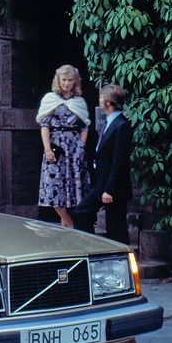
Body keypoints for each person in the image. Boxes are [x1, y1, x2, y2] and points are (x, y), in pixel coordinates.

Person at [71, 83, 133, 244]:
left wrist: (109, 190)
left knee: (115, 227)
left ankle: (109, 253)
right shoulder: (109, 122)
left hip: (112, 187)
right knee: (84, 213)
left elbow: (119, 161)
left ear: (108, 102)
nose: (99, 100)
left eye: (101, 97)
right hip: (102, 182)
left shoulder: (121, 125)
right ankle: (93, 248)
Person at [36, 65, 90, 228]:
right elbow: (45, 126)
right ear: (58, 80)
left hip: (74, 150)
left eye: (70, 80)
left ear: (75, 82)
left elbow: (84, 127)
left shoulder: (79, 102)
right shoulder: (49, 99)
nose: (66, 83)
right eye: (64, 80)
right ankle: (69, 222)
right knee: (53, 187)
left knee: (73, 188)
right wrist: (47, 149)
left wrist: (81, 146)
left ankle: (66, 230)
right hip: (56, 148)